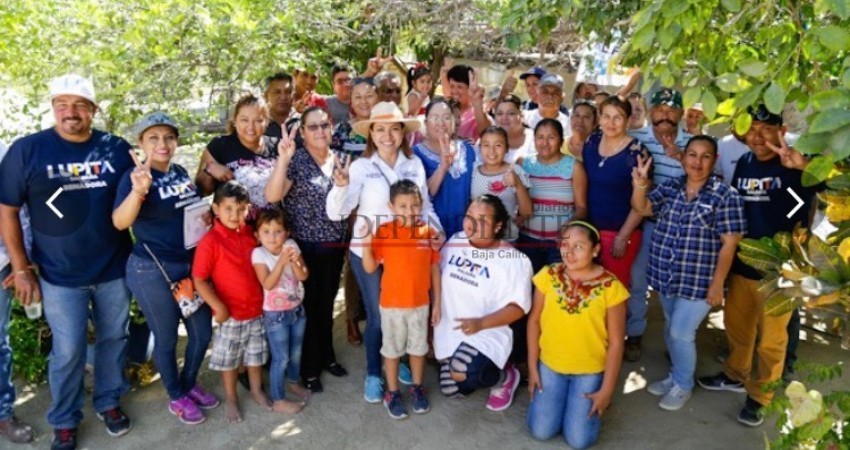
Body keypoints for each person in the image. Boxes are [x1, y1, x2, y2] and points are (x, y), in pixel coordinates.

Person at [0, 74, 134, 450]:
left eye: (79, 105)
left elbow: (138, 195)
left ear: (93, 110)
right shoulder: (27, 150)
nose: (69, 112)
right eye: (62, 104)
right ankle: (64, 418)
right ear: (53, 107)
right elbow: (7, 211)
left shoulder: (115, 148)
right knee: (69, 349)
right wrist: (22, 268)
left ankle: (108, 402)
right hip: (60, 277)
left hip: (113, 268)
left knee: (113, 339)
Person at [697, 105, 818, 426]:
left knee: (772, 340)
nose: (759, 136)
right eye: (752, 128)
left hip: (782, 269)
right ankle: (736, 375)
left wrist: (803, 165)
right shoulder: (746, 163)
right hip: (743, 264)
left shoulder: (795, 162)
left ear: (781, 130)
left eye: (767, 128)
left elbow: (835, 189)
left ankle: (760, 396)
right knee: (738, 328)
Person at [326, 102, 438, 403]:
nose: (387, 135)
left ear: (403, 132)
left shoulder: (413, 164)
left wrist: (434, 230)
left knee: (403, 310)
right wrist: (341, 187)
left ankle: (397, 361)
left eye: (394, 128)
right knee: (379, 315)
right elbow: (338, 212)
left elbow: (423, 205)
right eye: (380, 129)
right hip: (370, 253)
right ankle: (375, 373)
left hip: (406, 253)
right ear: (371, 133)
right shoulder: (360, 167)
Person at [112, 112, 218, 426]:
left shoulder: (180, 172)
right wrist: (139, 190)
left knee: (202, 330)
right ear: (141, 143)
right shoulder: (135, 177)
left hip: (188, 268)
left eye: (169, 137)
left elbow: (189, 211)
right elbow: (120, 221)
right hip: (151, 270)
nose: (163, 144)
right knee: (167, 337)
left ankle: (188, 383)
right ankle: (175, 395)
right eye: (153, 138)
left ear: (176, 141)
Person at [631, 135, 746, 412]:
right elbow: (642, 207)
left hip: (700, 281)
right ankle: (675, 376)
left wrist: (718, 285)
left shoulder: (725, 195)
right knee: (672, 327)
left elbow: (730, 244)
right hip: (667, 275)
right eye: (692, 155)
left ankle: (683, 384)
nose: (697, 162)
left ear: (714, 160)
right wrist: (639, 184)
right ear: (682, 158)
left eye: (705, 156)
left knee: (682, 332)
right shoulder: (671, 186)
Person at [265, 106, 350, 393]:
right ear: (302, 132)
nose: (320, 131)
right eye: (312, 127)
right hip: (306, 248)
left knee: (326, 305)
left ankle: (328, 355)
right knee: (309, 309)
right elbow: (272, 196)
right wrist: (283, 159)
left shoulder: (339, 159)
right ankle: (309, 368)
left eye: (324, 125)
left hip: (334, 246)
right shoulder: (296, 161)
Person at [526, 221, 627, 449]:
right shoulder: (548, 275)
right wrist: (533, 368)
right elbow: (533, 322)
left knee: (579, 441)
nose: (569, 252)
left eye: (579, 246)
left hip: (589, 372)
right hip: (550, 366)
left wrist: (607, 391)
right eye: (565, 244)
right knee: (541, 432)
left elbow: (617, 343)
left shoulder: (611, 287)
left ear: (596, 250)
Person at [435, 196, 532, 411]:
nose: (473, 224)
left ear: (498, 226)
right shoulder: (455, 241)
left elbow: (518, 308)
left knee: (462, 369)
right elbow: (436, 276)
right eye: (469, 217)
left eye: (483, 220)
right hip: (452, 330)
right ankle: (473, 369)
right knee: (452, 390)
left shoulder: (514, 260)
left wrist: (480, 323)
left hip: (487, 331)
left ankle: (504, 377)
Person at [361, 179, 441, 420]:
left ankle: (417, 387)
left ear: (421, 205)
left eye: (415, 205)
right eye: (403, 206)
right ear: (391, 206)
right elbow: (369, 267)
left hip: (420, 305)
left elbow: (434, 268)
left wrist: (437, 303)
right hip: (392, 305)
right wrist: (366, 246)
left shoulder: (428, 232)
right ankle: (393, 392)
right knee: (392, 350)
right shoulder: (384, 232)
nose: (410, 211)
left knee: (418, 349)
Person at [192, 181, 271, 424]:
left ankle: (256, 390)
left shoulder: (252, 234)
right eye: (228, 209)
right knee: (230, 360)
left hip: (257, 309)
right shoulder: (210, 241)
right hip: (231, 315)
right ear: (215, 209)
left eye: (241, 209)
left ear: (248, 209)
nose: (235, 215)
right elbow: (199, 279)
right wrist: (220, 307)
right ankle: (231, 397)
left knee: (255, 357)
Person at [624, 88, 691, 361]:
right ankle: (635, 333)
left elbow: (709, 181)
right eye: (660, 109)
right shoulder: (636, 140)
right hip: (645, 222)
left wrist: (684, 159)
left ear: (681, 113)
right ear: (650, 112)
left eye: (671, 109)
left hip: (680, 230)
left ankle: (675, 341)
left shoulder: (694, 143)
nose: (665, 115)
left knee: (673, 287)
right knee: (637, 281)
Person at [579, 96, 646, 295]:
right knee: (589, 290)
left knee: (612, 291)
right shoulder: (592, 141)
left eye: (618, 117)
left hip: (621, 233)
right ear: (599, 118)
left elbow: (641, 203)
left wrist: (623, 236)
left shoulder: (638, 153)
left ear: (628, 120)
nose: (611, 123)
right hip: (591, 230)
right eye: (606, 116)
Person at [251, 207, 310, 413]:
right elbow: (267, 283)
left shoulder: (291, 245)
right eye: (266, 231)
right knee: (281, 357)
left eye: (278, 231)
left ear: (287, 233)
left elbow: (303, 276)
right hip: (275, 316)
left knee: (295, 353)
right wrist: (282, 262)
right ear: (257, 235)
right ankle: (278, 399)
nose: (272, 237)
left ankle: (293, 381)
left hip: (296, 310)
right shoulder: (258, 254)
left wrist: (293, 261)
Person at [0, 140, 35, 445]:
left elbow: (20, 210)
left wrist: (21, 262)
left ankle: (2, 414)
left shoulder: (4, 153)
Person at [195, 94, 280, 215]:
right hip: (233, 229)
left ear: (266, 122)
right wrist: (209, 170)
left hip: (268, 230)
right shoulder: (220, 145)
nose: (250, 127)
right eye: (244, 120)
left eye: (258, 120)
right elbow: (203, 191)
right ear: (235, 121)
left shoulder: (278, 146)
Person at [518, 119, 584, 272]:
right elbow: (517, 201)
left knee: (555, 290)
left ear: (561, 140)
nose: (545, 142)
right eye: (540, 137)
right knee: (528, 288)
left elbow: (582, 208)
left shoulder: (574, 166)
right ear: (534, 140)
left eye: (551, 137)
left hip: (559, 244)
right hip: (528, 241)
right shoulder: (524, 164)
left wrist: (567, 228)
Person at [413, 99, 476, 239]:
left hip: (465, 230)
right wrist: (443, 167)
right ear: (426, 123)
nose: (441, 122)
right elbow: (419, 197)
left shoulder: (468, 150)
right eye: (435, 117)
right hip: (432, 230)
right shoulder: (415, 155)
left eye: (447, 117)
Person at [471, 126, 532, 241]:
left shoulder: (516, 171)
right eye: (486, 145)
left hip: (507, 240)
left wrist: (518, 185)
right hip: (477, 238)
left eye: (498, 145)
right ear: (479, 148)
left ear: (507, 149)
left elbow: (527, 213)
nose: (492, 151)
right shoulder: (473, 171)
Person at [331, 77, 379, 160]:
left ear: (378, 99)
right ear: (351, 102)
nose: (363, 101)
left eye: (369, 96)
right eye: (358, 97)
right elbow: (332, 159)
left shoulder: (387, 126)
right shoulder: (343, 129)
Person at [440, 63, 491, 141]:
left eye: (460, 87)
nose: (455, 91)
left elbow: (487, 134)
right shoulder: (444, 108)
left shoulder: (476, 113)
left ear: (470, 88)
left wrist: (477, 103)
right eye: (452, 86)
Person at [493, 95, 534, 163]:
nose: (504, 118)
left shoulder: (536, 139)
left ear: (521, 115)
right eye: (500, 113)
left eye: (511, 113)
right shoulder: (486, 140)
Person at [263, 73, 297, 138]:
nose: (283, 97)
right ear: (266, 96)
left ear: (294, 96)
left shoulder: (303, 122)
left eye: (288, 92)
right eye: (277, 92)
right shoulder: (259, 122)